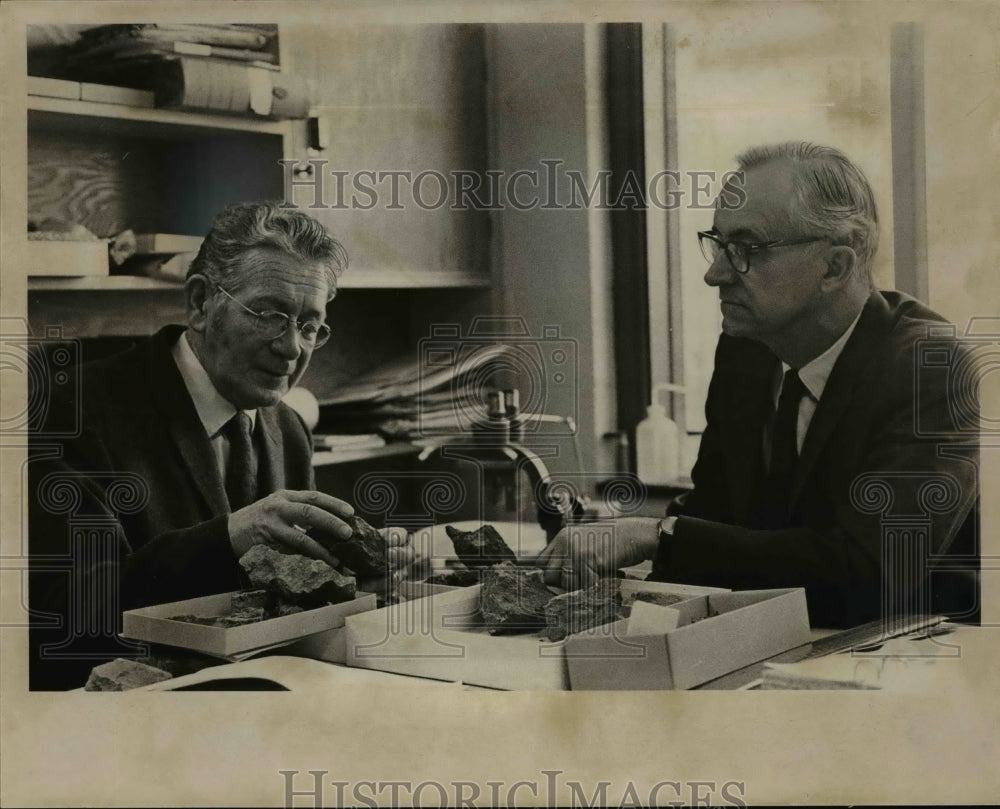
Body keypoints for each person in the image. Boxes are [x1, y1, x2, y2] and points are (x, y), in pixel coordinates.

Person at [535, 142, 980, 628]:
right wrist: (621, 545)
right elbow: (716, 512)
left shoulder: (933, 368)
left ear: (835, 267)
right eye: (719, 244)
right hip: (782, 635)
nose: (714, 274)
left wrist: (659, 535)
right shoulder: (749, 348)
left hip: (915, 650)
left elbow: (873, 571)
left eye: (747, 250)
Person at [28, 201, 414, 689]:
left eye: (310, 325)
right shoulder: (68, 412)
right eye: (270, 314)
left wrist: (358, 581)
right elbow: (59, 615)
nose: (293, 347)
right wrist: (229, 540)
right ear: (200, 303)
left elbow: (284, 600)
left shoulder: (290, 430)